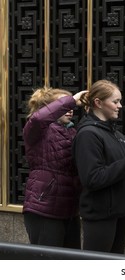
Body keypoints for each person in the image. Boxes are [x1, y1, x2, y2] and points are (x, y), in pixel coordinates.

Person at [72, 79, 125, 254]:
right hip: (100, 216)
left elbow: (115, 172)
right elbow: (92, 178)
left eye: (119, 101)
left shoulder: (117, 135)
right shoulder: (88, 134)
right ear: (98, 103)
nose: (120, 106)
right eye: (115, 101)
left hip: (121, 213)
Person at [23, 86, 87, 248]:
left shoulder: (73, 131)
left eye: (72, 107)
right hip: (44, 208)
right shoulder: (37, 129)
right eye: (63, 105)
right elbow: (38, 119)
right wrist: (72, 100)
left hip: (70, 209)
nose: (70, 109)